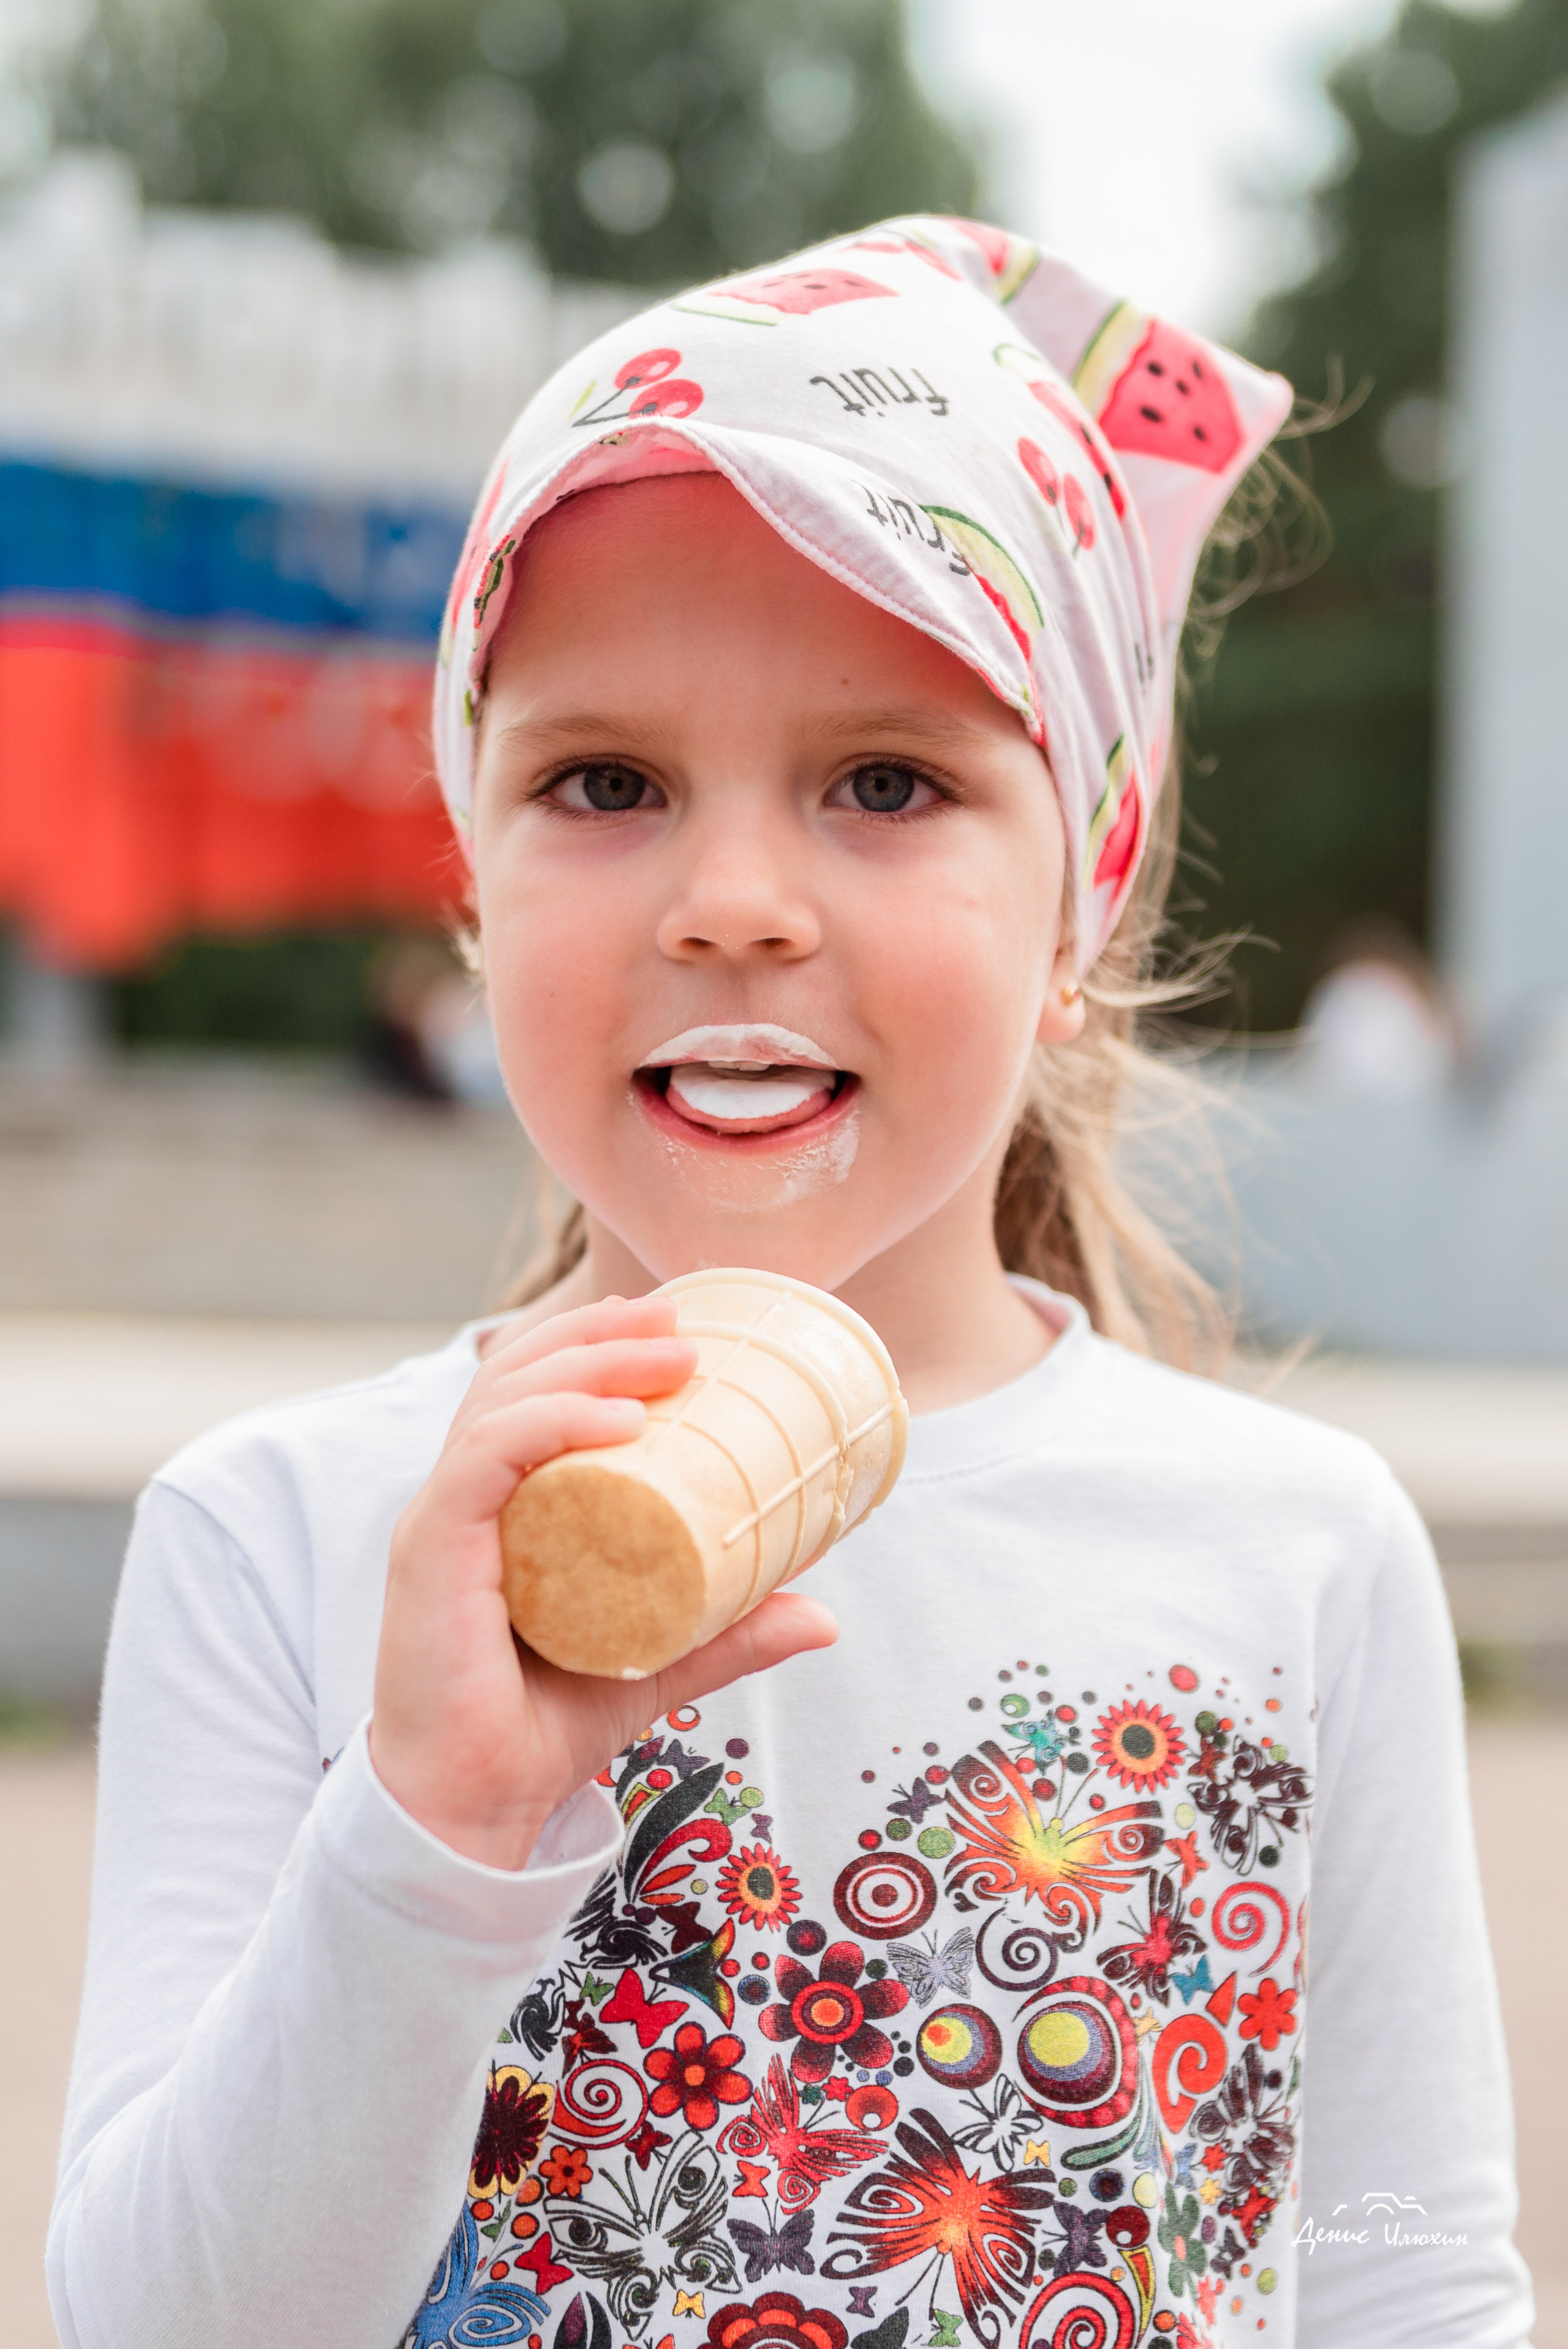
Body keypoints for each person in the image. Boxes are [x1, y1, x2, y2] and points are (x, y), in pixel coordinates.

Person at [48, 219, 1532, 2349]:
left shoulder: (1296, 1555)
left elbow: (1412, 2291)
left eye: (886, 781)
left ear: (1079, 902)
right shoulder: (283, 1534)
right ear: (470, 890)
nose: (733, 900)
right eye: (605, 781)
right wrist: (433, 1830)